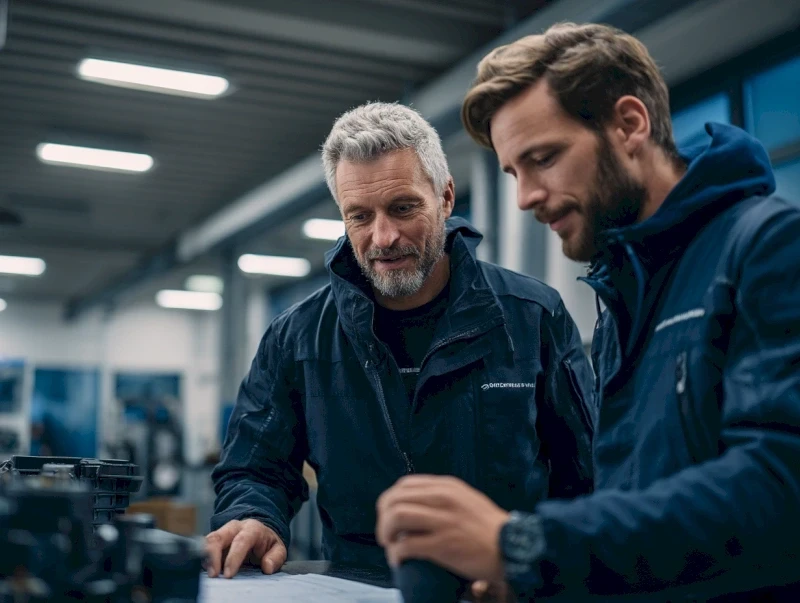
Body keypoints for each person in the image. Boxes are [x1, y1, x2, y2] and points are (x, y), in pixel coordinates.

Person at [376, 22, 800, 601]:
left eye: (543, 158)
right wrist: (537, 581)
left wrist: (526, 545)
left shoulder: (769, 247)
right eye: (513, 173)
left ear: (630, 124)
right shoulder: (619, 298)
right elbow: (635, 511)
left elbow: (778, 487)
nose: (525, 196)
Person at [206, 102, 596, 580]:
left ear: (446, 197)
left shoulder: (532, 318)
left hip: (504, 587)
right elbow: (255, 469)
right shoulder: (298, 338)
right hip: (356, 587)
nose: (383, 237)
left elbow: (587, 475)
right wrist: (253, 516)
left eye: (403, 208)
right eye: (359, 217)